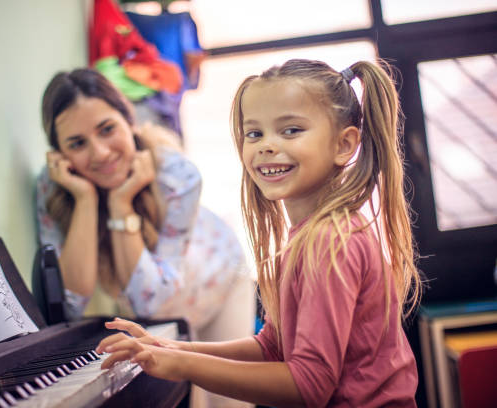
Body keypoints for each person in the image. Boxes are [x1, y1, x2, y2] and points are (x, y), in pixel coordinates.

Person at [95, 58, 423, 407]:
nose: (266, 145)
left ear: (344, 145)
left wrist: (182, 365)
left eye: (291, 130)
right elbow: (272, 347)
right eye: (255, 133)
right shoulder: (309, 236)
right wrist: (173, 348)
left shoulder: (329, 242)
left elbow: (309, 384)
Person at [36, 68, 255, 407]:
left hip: (219, 283)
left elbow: (150, 300)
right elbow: (68, 303)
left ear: (129, 120)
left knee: (231, 401)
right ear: (60, 154)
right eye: (77, 143)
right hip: (157, 307)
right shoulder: (55, 187)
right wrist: (86, 201)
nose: (100, 153)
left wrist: (122, 203)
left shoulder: (176, 175)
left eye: (107, 129)